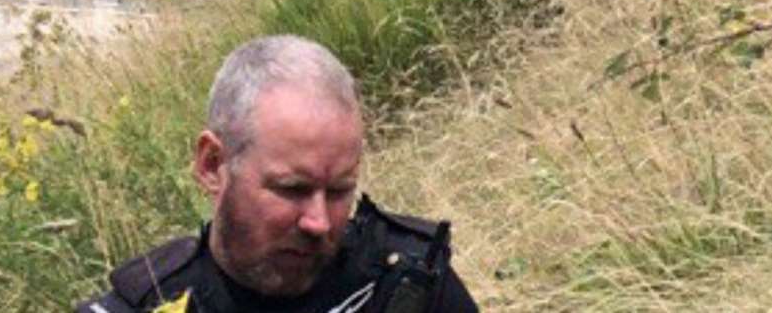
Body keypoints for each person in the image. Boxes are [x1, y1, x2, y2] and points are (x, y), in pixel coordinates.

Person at [76, 35, 479, 312]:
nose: (318, 222)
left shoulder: (408, 284)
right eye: (292, 189)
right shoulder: (145, 304)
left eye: (340, 191)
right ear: (212, 165)